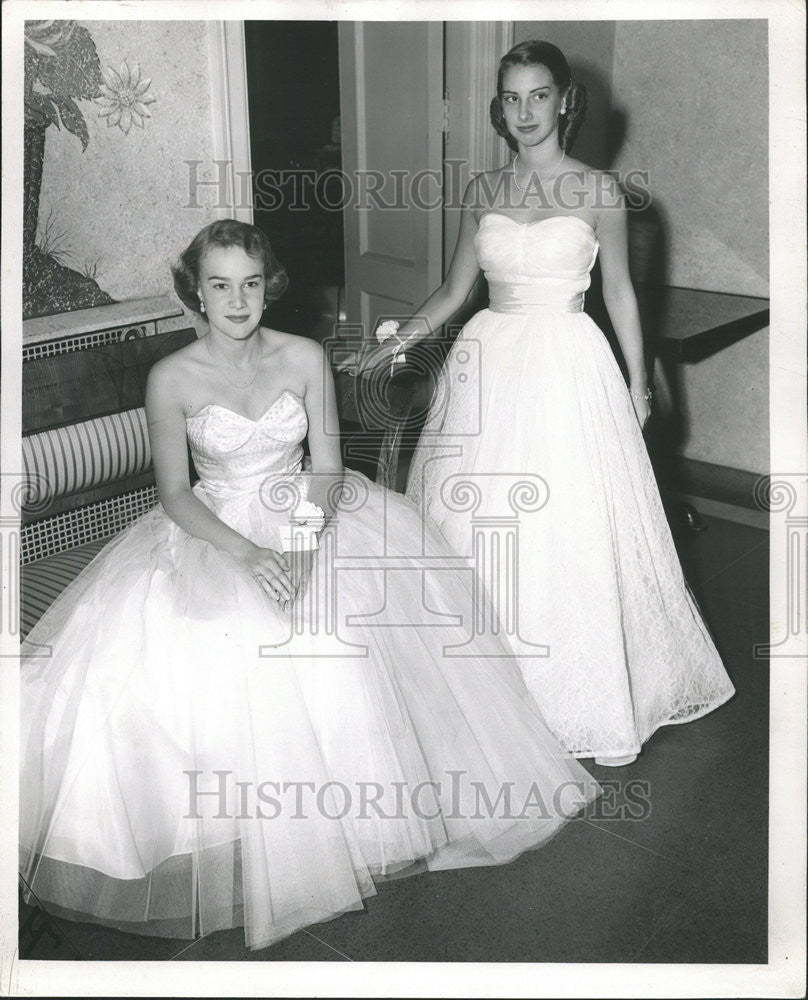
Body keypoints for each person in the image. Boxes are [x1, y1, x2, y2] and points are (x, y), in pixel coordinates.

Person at [19, 219, 600, 952]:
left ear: (271, 286)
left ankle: (353, 816)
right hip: (213, 528)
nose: (237, 301)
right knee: (214, 643)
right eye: (220, 285)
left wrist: (294, 544)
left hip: (310, 510)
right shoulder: (170, 376)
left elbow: (326, 467)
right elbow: (175, 493)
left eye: (252, 283)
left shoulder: (302, 356)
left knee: (332, 627)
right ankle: (246, 828)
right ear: (195, 292)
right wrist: (246, 554)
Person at [350, 40, 735, 767]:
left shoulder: (599, 192)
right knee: (475, 520)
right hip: (488, 363)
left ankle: (573, 694)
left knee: (567, 525)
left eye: (538, 96)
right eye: (511, 98)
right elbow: (452, 292)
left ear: (565, 101)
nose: (524, 112)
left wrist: (637, 381)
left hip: (567, 360)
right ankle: (479, 688)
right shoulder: (482, 192)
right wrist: (395, 344)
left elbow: (618, 290)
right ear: (499, 108)